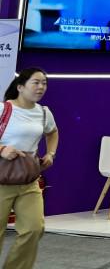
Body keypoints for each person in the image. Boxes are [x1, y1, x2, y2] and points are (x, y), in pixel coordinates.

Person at [0, 67, 58, 269]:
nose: (41, 87)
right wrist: (2, 149)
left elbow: (53, 132)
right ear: (20, 87)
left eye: (44, 83)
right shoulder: (3, 109)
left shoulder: (44, 113)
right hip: (1, 180)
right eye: (36, 82)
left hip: (28, 180)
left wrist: (50, 153)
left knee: (34, 229)